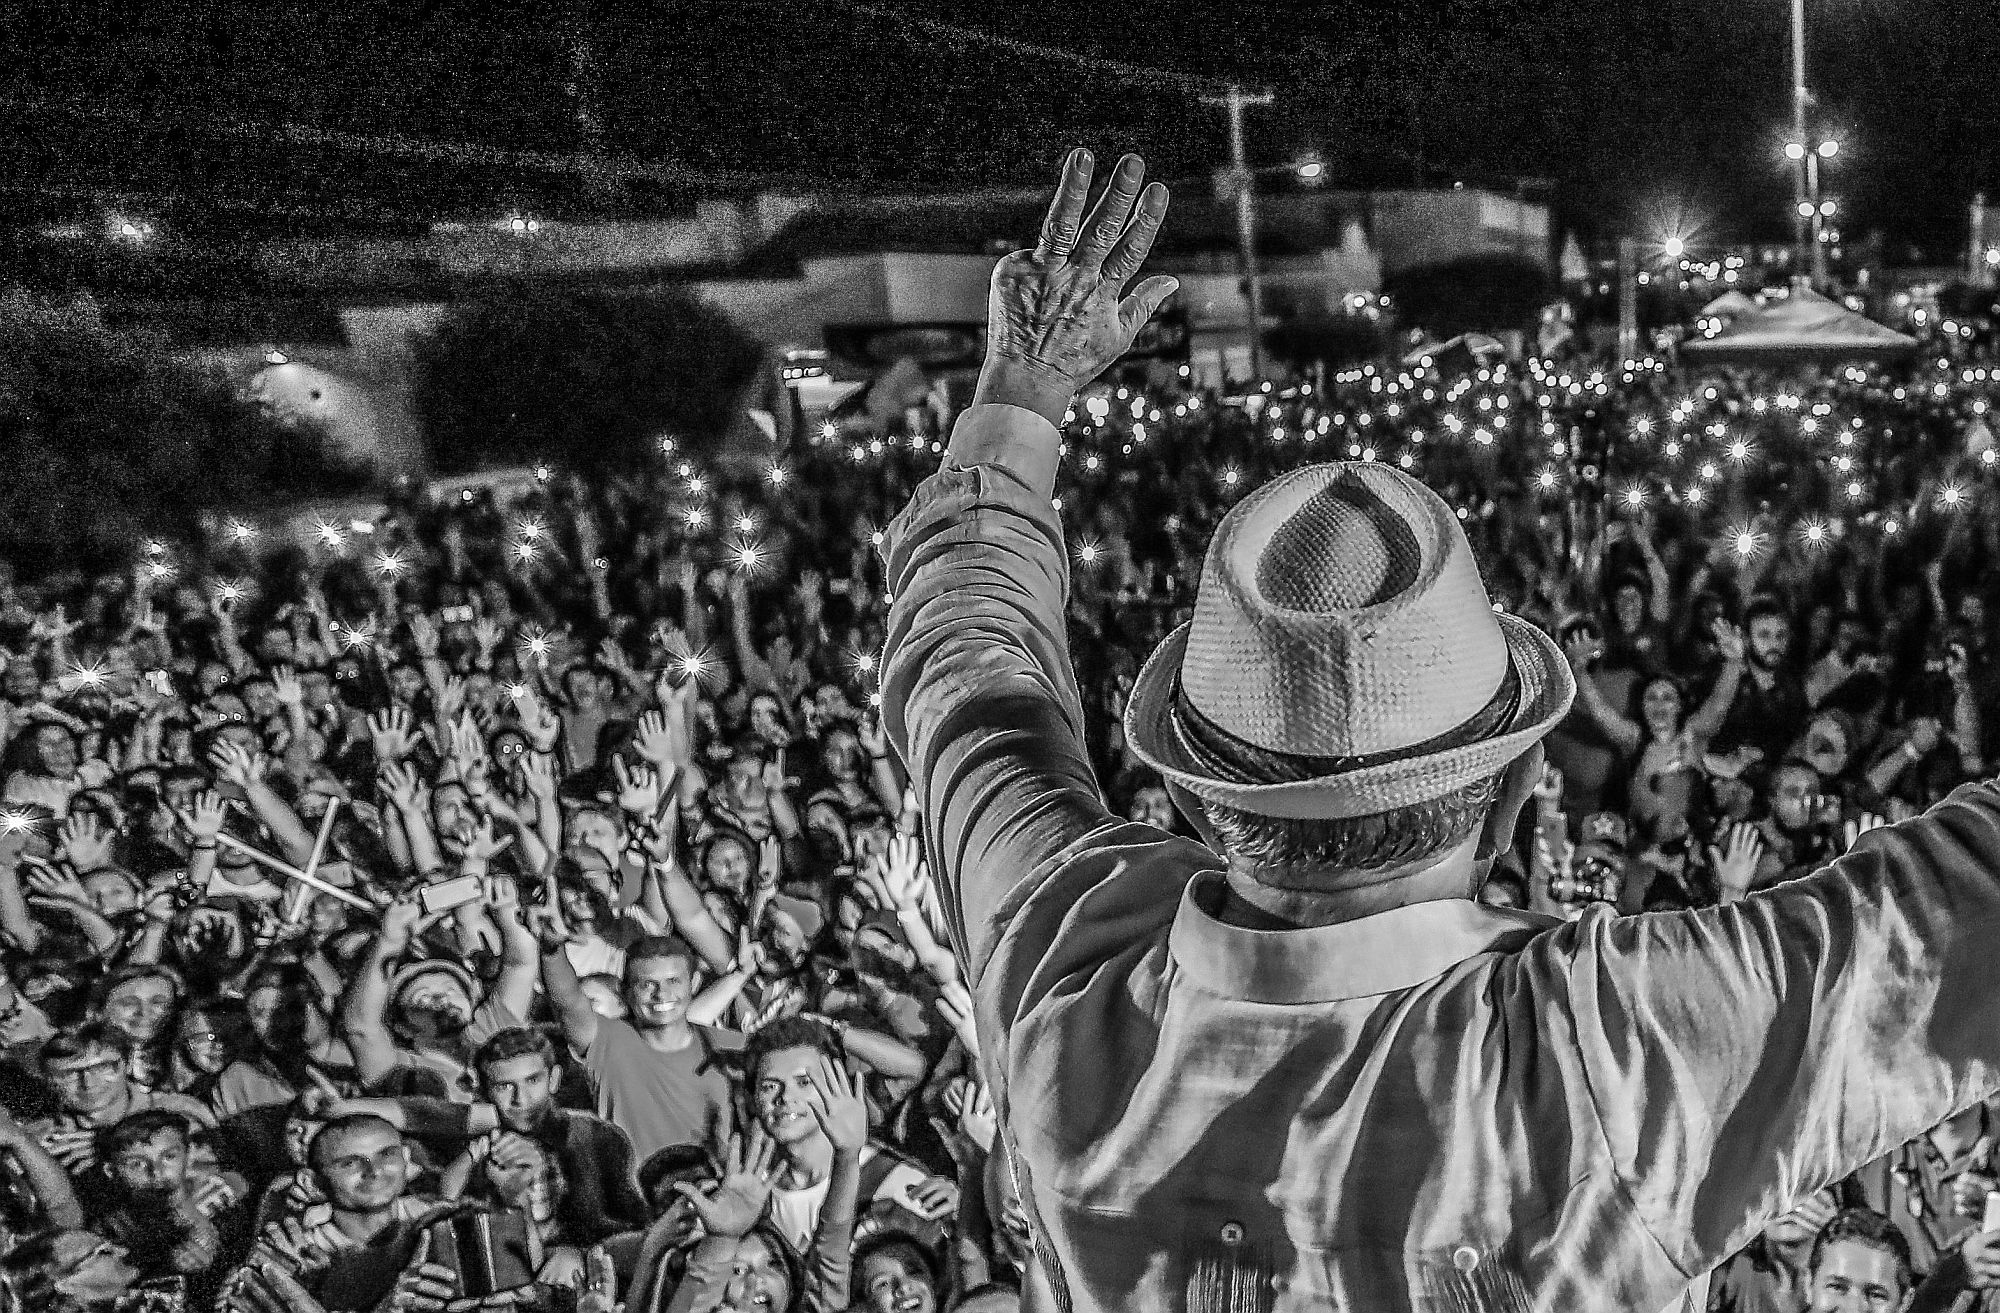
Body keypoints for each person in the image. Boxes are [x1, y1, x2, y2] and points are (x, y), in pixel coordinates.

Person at [879, 146, 2000, 1311]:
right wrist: (1020, 397)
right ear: (1516, 792)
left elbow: (963, 668)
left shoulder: (1064, 964)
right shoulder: (1606, 1052)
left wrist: (1019, 390)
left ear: (1195, 793)